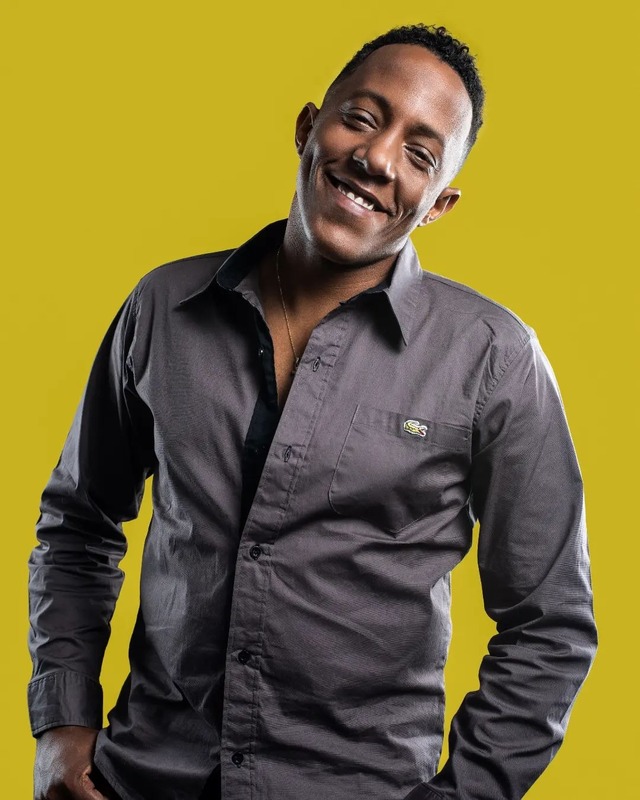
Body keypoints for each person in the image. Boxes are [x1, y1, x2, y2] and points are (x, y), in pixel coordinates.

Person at [28, 23, 597, 800]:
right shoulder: (162, 307)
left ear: (439, 204)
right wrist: (62, 723)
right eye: (362, 117)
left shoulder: (493, 359)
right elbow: (79, 524)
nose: (377, 158)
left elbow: (549, 626)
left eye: (420, 154)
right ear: (307, 126)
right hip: (144, 779)